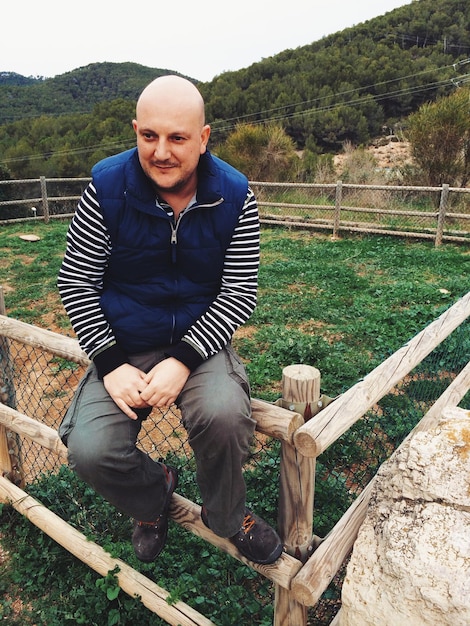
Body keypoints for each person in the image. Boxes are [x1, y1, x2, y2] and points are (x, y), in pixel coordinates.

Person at [57, 75, 283, 566]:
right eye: (149, 136)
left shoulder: (236, 196)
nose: (161, 151)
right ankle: (152, 496)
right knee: (91, 448)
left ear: (203, 139)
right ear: (135, 130)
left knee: (225, 417)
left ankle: (226, 517)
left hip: (200, 343)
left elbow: (238, 293)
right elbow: (77, 281)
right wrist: (112, 364)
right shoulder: (105, 187)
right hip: (125, 340)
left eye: (178, 138)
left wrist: (182, 359)